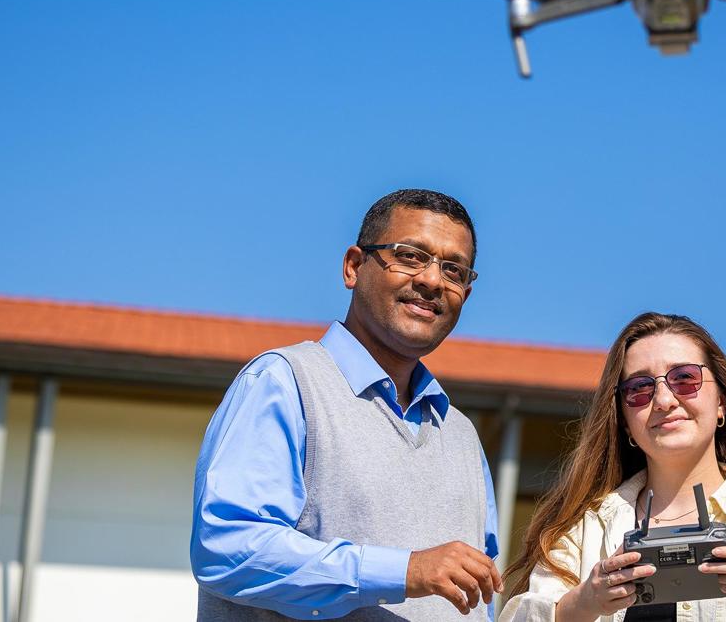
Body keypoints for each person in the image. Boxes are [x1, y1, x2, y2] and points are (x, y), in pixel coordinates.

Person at [192, 189, 503, 620]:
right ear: (354, 266)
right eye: (410, 256)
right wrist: (405, 570)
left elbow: (479, 601)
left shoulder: (461, 434)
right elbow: (228, 549)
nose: (432, 280)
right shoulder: (285, 382)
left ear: (464, 295)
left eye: (454, 270)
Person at [500, 312, 726, 622]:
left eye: (684, 378)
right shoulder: (582, 530)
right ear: (624, 422)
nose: (664, 401)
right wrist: (584, 602)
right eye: (639, 388)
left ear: (722, 403)